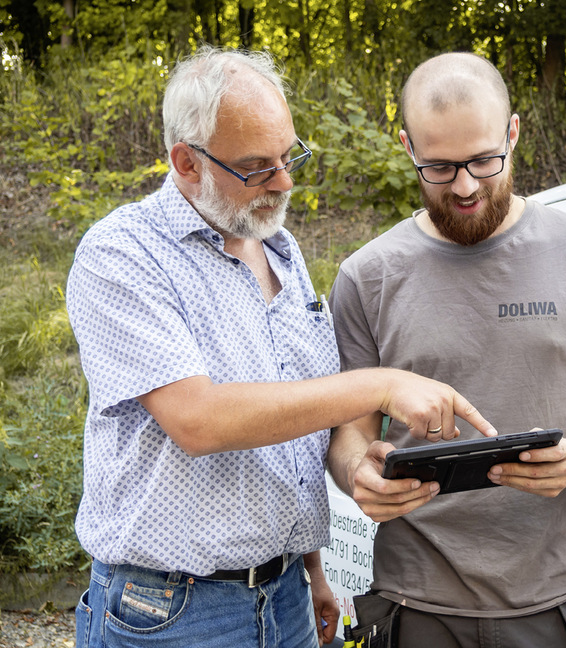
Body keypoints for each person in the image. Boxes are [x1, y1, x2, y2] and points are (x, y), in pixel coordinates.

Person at [66, 46, 495, 648]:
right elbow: (199, 419)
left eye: (289, 155)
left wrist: (312, 567)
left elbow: (294, 434)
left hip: (286, 595)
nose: (285, 181)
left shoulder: (281, 250)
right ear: (186, 162)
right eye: (257, 167)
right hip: (172, 613)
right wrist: (381, 384)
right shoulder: (123, 255)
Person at [326, 52, 566, 647]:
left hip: (561, 605)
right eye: (440, 166)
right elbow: (347, 432)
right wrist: (358, 472)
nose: (465, 186)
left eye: (484, 160)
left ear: (513, 132)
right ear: (407, 147)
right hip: (414, 605)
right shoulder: (365, 277)